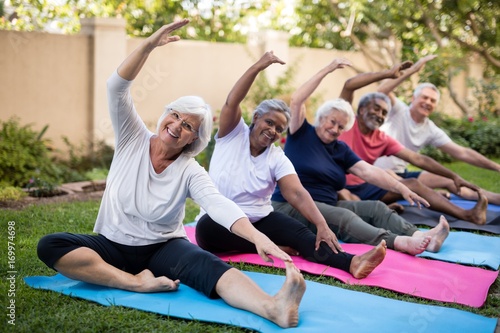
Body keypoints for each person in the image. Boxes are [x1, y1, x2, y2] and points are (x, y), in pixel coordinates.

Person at [36, 20, 307, 329]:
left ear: (195, 138)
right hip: (112, 243)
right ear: (165, 114)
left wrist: (257, 236)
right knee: (51, 245)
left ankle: (272, 307)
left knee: (208, 265)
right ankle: (135, 282)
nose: (177, 126)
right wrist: (149, 45)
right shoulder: (132, 137)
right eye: (175, 115)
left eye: (188, 125)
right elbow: (116, 87)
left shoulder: (190, 170)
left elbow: (218, 204)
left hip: (164, 248)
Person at [195, 52, 387, 279]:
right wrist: (258, 66)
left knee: (302, 233)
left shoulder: (277, 157)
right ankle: (267, 245)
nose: (273, 131)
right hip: (220, 222)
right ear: (256, 117)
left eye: (279, 129)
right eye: (269, 122)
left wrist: (321, 224)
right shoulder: (231, 134)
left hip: (259, 219)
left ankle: (352, 262)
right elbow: (232, 101)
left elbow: (296, 193)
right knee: (205, 229)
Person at [271, 58, 450, 255]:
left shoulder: (340, 149)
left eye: (341, 127)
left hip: (328, 205)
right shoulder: (301, 133)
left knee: (376, 208)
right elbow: (297, 99)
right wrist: (328, 69)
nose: (335, 129)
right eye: (332, 122)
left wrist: (402, 188)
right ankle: (400, 242)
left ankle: (420, 237)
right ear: (322, 117)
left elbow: (368, 171)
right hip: (291, 207)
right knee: (344, 217)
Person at [336, 63, 489, 225]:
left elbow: (419, 159)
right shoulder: (346, 121)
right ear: (360, 110)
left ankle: (468, 215)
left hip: (365, 186)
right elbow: (348, 86)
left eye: (384, 113)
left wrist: (453, 176)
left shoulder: (382, 138)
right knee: (343, 194)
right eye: (375, 109)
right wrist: (387, 74)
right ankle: (373, 209)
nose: (379, 115)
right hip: (336, 184)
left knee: (412, 184)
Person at [374, 55, 500, 205]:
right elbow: (380, 92)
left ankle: (495, 198)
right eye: (424, 97)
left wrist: (497, 167)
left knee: (448, 179)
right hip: (378, 173)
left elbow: (462, 152)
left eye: (432, 100)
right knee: (411, 185)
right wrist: (412, 70)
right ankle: (428, 194)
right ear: (413, 99)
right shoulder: (398, 110)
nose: (428, 102)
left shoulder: (430, 129)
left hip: (402, 174)